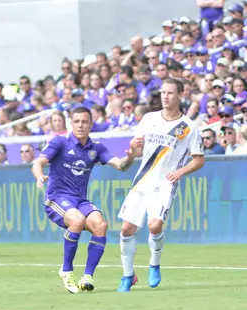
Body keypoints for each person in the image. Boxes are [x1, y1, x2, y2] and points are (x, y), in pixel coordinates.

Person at [31, 106, 138, 294]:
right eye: (77, 121)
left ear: (91, 124)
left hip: (80, 200)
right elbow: (38, 162)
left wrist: (130, 157)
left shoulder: (95, 148)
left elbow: (120, 166)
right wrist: (39, 175)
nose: (80, 125)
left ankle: (87, 276)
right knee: (77, 221)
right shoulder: (60, 142)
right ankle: (66, 270)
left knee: (101, 225)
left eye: (84, 122)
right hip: (57, 197)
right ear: (71, 124)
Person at [117, 79, 205, 292]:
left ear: (180, 95)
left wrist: (181, 171)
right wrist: (132, 147)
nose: (165, 96)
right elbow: (137, 151)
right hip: (143, 180)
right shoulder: (149, 119)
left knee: (154, 225)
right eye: (163, 92)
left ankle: (154, 264)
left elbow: (199, 159)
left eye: (170, 93)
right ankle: (128, 276)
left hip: (165, 183)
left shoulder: (188, 127)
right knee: (127, 228)